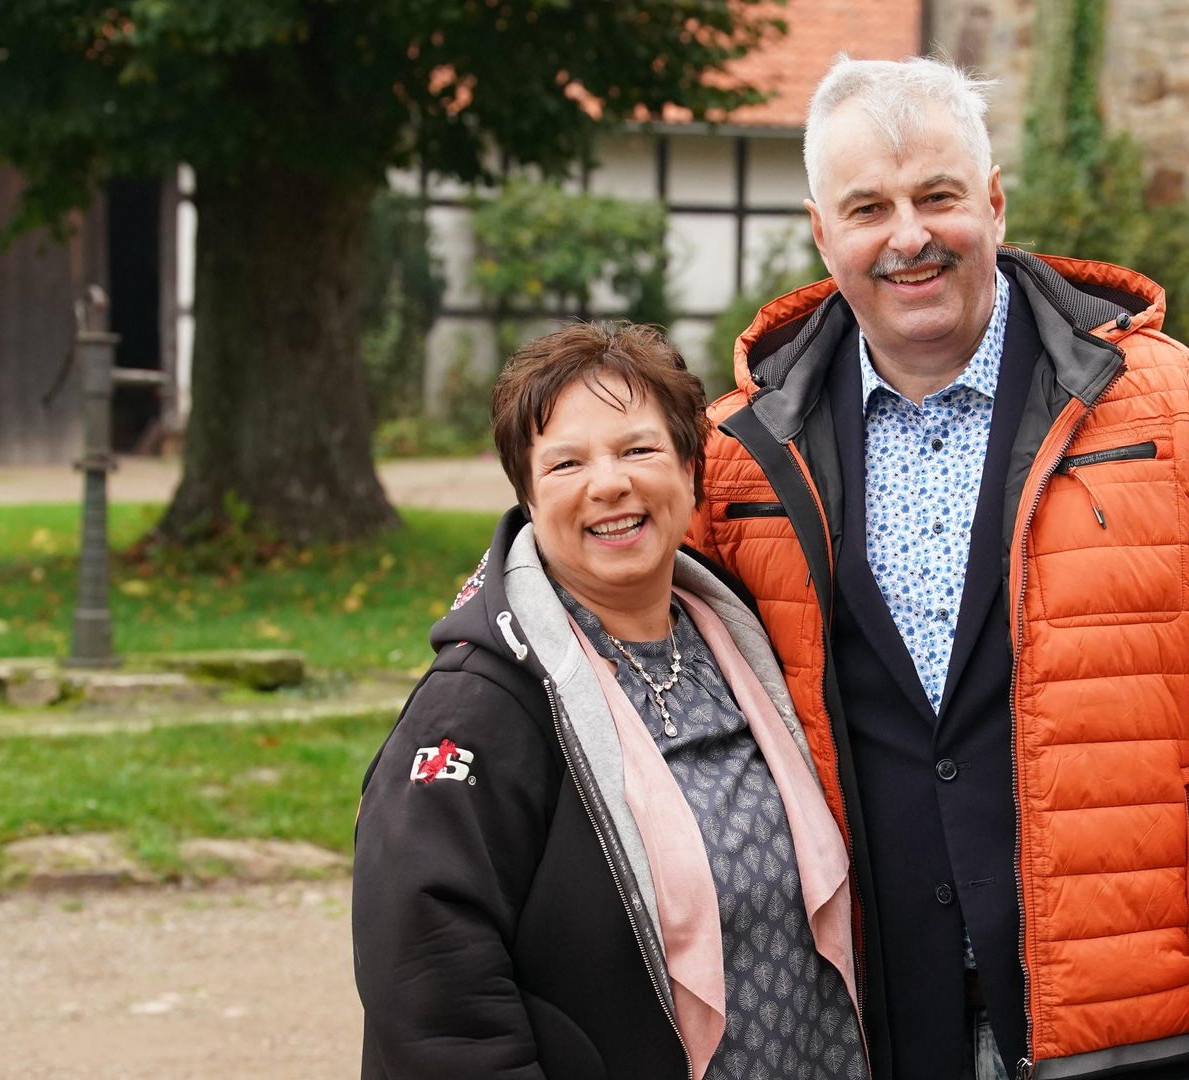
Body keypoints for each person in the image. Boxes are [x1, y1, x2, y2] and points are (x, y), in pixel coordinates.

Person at [686, 57, 1189, 1080]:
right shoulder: (738, 457)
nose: (908, 236)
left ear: (992, 202)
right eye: (869, 209)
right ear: (822, 233)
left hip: (1129, 1026)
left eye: (937, 196)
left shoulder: (1167, 406)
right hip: (869, 1030)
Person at [353, 321, 869, 1080]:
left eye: (638, 450)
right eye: (566, 463)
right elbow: (429, 994)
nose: (609, 485)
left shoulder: (752, 648)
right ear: (528, 496)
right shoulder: (475, 710)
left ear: (690, 470)